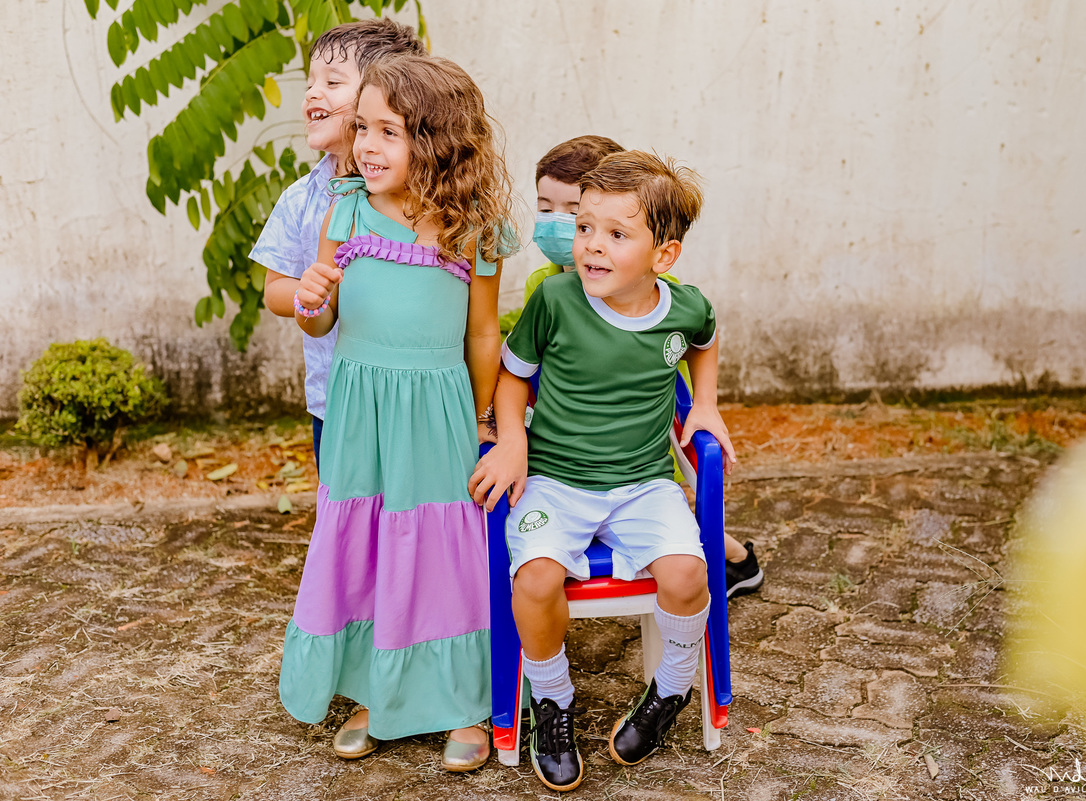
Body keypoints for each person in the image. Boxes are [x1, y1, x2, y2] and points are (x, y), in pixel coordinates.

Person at [278, 53, 516, 772]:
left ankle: (460, 696)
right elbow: (320, 324)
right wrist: (313, 300)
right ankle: (374, 689)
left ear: (438, 143)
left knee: (441, 549)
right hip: (360, 409)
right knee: (369, 544)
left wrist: (484, 418)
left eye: (390, 131)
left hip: (438, 408)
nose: (367, 146)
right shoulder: (343, 209)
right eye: (364, 129)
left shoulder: (471, 226)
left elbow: (482, 332)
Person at [471, 151, 735, 791]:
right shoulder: (557, 300)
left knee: (687, 574)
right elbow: (514, 377)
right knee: (534, 580)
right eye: (585, 228)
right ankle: (552, 701)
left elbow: (706, 338)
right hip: (556, 482)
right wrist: (510, 440)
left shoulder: (683, 308)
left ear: (662, 256)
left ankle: (670, 689)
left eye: (616, 234)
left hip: (644, 484)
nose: (590, 246)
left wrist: (705, 405)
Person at [527, 136, 764, 600]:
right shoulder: (548, 287)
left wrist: (704, 403)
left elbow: (693, 335)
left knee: (666, 536)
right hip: (568, 454)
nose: (565, 228)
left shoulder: (659, 290)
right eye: (546, 209)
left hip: (639, 456)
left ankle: (732, 558)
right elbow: (523, 357)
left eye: (570, 210)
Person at [251, 20, 426, 470]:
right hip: (336, 399)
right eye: (310, 82)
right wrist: (309, 294)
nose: (311, 93)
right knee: (345, 518)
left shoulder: (425, 201)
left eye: (331, 82)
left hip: (417, 397)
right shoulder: (302, 198)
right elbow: (274, 290)